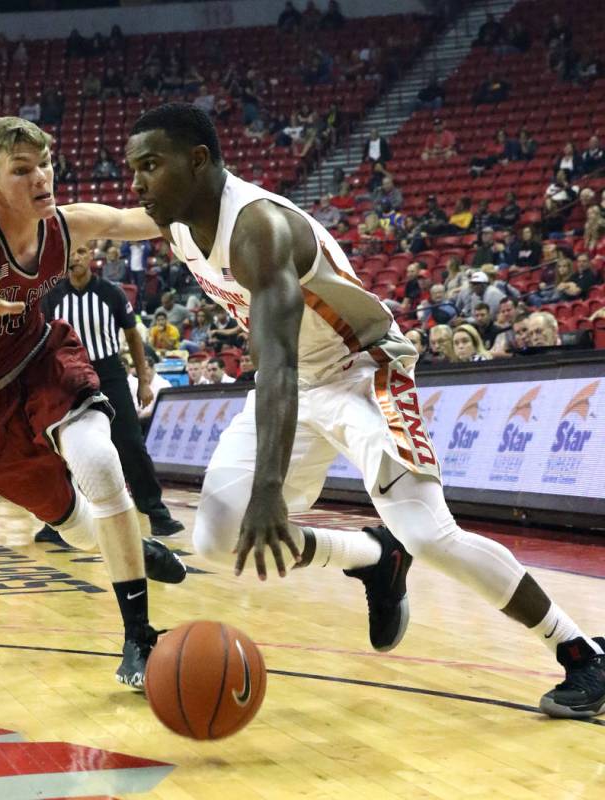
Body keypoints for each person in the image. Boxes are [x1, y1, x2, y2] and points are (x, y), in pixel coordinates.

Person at [125, 102, 605, 718]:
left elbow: (278, 369)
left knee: (431, 536)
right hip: (297, 384)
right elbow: (100, 223)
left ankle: (580, 650)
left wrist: (270, 487)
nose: (137, 182)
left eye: (150, 166)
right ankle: (375, 559)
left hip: (360, 371)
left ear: (198, 162)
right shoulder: (176, 219)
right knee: (218, 536)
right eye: (133, 168)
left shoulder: (260, 229)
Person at [0, 116, 181, 688]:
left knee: (97, 459)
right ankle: (131, 547)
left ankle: (138, 635)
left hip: (39, 361)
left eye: (45, 165)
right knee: (74, 525)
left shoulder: (61, 225)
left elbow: (134, 219)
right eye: (21, 171)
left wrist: (201, 202)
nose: (41, 178)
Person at [41, 244, 184, 538]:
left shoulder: (110, 293)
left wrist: (143, 380)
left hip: (109, 373)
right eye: (69, 253)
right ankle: (58, 523)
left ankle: (156, 512)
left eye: (80, 252)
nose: (74, 258)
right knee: (63, 449)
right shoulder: (52, 297)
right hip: (67, 375)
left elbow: (132, 336)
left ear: (91, 257)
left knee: (130, 442)